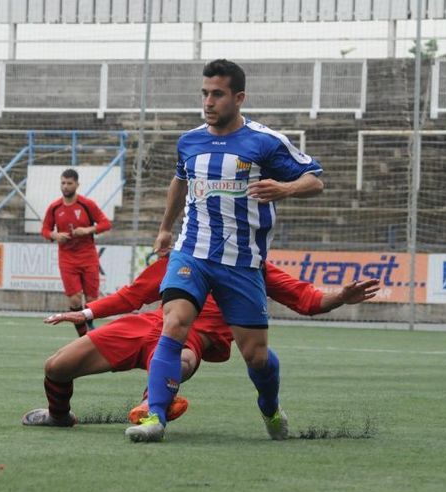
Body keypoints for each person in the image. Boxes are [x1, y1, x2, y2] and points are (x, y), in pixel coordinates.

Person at [127, 59, 325, 442]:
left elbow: (314, 180)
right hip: (192, 252)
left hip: (242, 262)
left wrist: (284, 189)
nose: (208, 101)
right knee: (174, 323)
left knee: (256, 356)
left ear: (239, 97)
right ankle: (154, 417)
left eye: (217, 94)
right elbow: (179, 181)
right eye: (204, 93)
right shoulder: (189, 141)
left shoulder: (264, 142)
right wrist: (166, 228)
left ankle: (269, 407)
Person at [21, 255, 379, 430]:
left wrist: (339, 297)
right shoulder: (180, 258)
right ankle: (59, 416)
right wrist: (85, 314)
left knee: (189, 359)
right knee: (56, 367)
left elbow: (306, 298)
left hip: (190, 337)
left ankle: (154, 405)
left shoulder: (251, 265)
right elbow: (134, 294)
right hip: (144, 326)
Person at [41, 168, 112, 337]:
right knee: (74, 299)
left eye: (69, 183)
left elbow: (105, 224)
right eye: (63, 183)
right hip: (67, 258)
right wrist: (55, 235)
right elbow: (44, 229)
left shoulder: (87, 205)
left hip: (88, 257)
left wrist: (87, 230)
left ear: (77, 184)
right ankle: (83, 337)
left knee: (91, 300)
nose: (65, 186)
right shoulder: (54, 207)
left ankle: (90, 327)